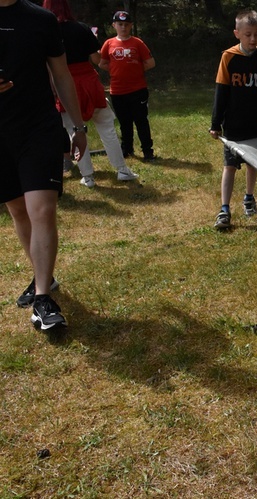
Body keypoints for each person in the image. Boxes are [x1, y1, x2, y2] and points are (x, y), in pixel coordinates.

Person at [1, 0, 88, 330]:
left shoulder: (42, 20)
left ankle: (42, 299)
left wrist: (78, 128)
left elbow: (62, 75)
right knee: (19, 211)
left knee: (42, 209)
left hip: (38, 128)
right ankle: (45, 278)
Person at [42, 0, 139, 188]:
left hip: (64, 84)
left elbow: (47, 65)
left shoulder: (46, 32)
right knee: (106, 127)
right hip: (88, 82)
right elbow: (96, 59)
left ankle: (88, 176)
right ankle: (121, 169)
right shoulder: (81, 28)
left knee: (75, 131)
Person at [209, 10, 257, 230]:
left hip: (256, 124)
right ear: (237, 33)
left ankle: (249, 197)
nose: (253, 39)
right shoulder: (228, 57)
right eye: (248, 34)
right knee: (229, 166)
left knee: (252, 164)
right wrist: (215, 123)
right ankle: (224, 208)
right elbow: (221, 92)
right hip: (234, 125)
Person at [99, 10, 156, 161]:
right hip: (117, 90)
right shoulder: (108, 44)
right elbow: (102, 63)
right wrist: (116, 69)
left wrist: (134, 68)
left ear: (131, 25)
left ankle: (147, 151)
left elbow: (150, 62)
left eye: (126, 24)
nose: (123, 27)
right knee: (124, 122)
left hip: (137, 89)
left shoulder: (137, 43)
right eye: (120, 24)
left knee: (141, 121)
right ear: (114, 25)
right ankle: (127, 149)